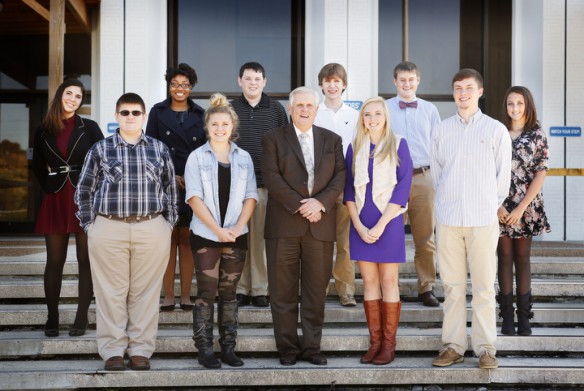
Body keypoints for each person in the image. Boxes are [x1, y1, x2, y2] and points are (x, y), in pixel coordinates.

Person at [75, 93, 178, 371]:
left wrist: (167, 225)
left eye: (135, 112)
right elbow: (83, 190)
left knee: (145, 292)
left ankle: (141, 350)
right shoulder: (100, 149)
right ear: (116, 116)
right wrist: (90, 225)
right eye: (124, 112)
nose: (130, 117)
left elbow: (171, 191)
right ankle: (113, 351)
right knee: (110, 292)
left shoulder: (159, 149)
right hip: (109, 227)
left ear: (144, 117)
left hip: (151, 227)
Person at [430, 69, 511, 370]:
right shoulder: (442, 129)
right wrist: (448, 204)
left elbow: (502, 180)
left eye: (468, 88)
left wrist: (487, 205)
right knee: (451, 288)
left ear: (480, 91)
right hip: (449, 219)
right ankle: (453, 346)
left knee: (483, 288)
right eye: (457, 88)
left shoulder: (495, 130)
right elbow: (438, 176)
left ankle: (486, 349)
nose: (462, 93)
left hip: (481, 219)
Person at [262, 86, 346, 366]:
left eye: (310, 105)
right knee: (282, 291)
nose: (305, 110)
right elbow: (272, 178)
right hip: (284, 225)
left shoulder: (332, 140)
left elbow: (340, 176)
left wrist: (319, 203)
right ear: (290, 108)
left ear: (317, 109)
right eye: (299, 106)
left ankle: (312, 347)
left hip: (320, 225)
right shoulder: (273, 139)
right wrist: (302, 205)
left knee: (314, 292)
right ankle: (287, 348)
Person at [185, 93, 258, 368]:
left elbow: (251, 195)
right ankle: (204, 350)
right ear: (207, 127)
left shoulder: (244, 158)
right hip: (205, 235)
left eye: (224, 124)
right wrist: (217, 230)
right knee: (206, 293)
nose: (219, 129)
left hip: (236, 236)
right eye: (214, 124)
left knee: (229, 294)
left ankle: (228, 348)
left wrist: (238, 227)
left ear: (232, 126)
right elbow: (194, 197)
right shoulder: (196, 157)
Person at [32, 79, 104, 337]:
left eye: (78, 96)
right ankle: (52, 317)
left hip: (84, 197)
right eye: (69, 93)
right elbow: (38, 166)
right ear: (60, 95)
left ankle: (81, 316)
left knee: (86, 260)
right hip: (56, 197)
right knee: (55, 261)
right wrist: (50, 186)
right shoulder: (43, 129)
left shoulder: (90, 128)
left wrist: (94, 191)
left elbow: (102, 162)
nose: (73, 99)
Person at [344, 97, 413, 365]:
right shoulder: (355, 146)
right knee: (369, 282)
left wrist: (382, 224)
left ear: (386, 117)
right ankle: (374, 343)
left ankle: (388, 345)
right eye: (368, 114)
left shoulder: (399, 144)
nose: (372, 119)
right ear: (362, 118)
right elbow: (348, 189)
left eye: (378, 114)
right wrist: (359, 226)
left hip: (390, 219)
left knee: (388, 281)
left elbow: (403, 187)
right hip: (361, 219)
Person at [146, 63, 206, 312]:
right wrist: (171, 175)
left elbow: (205, 150)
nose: (179, 89)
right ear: (169, 86)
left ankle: (186, 296)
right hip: (164, 184)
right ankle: (168, 295)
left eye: (184, 85)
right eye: (175, 84)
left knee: (187, 239)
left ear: (191, 87)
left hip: (193, 184)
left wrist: (190, 177)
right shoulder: (157, 112)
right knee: (168, 240)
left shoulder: (201, 114)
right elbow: (150, 149)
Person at [231, 62, 289, 308]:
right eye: (248, 78)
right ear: (239, 81)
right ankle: (242, 288)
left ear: (264, 82)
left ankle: (260, 289)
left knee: (261, 239)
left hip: (265, 185)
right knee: (240, 237)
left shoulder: (275, 109)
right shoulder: (229, 109)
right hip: (235, 186)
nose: (252, 83)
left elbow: (285, 148)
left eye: (257, 79)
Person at [386, 61, 441, 307]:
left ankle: (426, 287)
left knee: (425, 237)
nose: (407, 84)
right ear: (395, 82)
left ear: (418, 80)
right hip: (391, 180)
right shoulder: (384, 109)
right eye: (402, 80)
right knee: (391, 237)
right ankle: (391, 287)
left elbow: (439, 147)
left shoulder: (430, 110)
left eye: (411, 80)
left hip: (423, 177)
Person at [497, 86, 550, 336]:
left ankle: (525, 319)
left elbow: (540, 173)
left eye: (519, 103)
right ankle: (507, 318)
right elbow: (488, 170)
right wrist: (498, 205)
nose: (514, 108)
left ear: (527, 105)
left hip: (526, 206)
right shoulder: (498, 132)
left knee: (522, 258)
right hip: (499, 205)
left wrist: (521, 207)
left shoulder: (537, 135)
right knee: (504, 258)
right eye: (510, 104)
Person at [314, 63, 359, 307]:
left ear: (344, 85)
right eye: (327, 80)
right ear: (320, 84)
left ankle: (346, 290)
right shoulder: (313, 113)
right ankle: (316, 289)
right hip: (317, 189)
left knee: (345, 242)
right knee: (319, 243)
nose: (332, 85)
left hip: (345, 186)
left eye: (337, 81)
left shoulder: (354, 116)